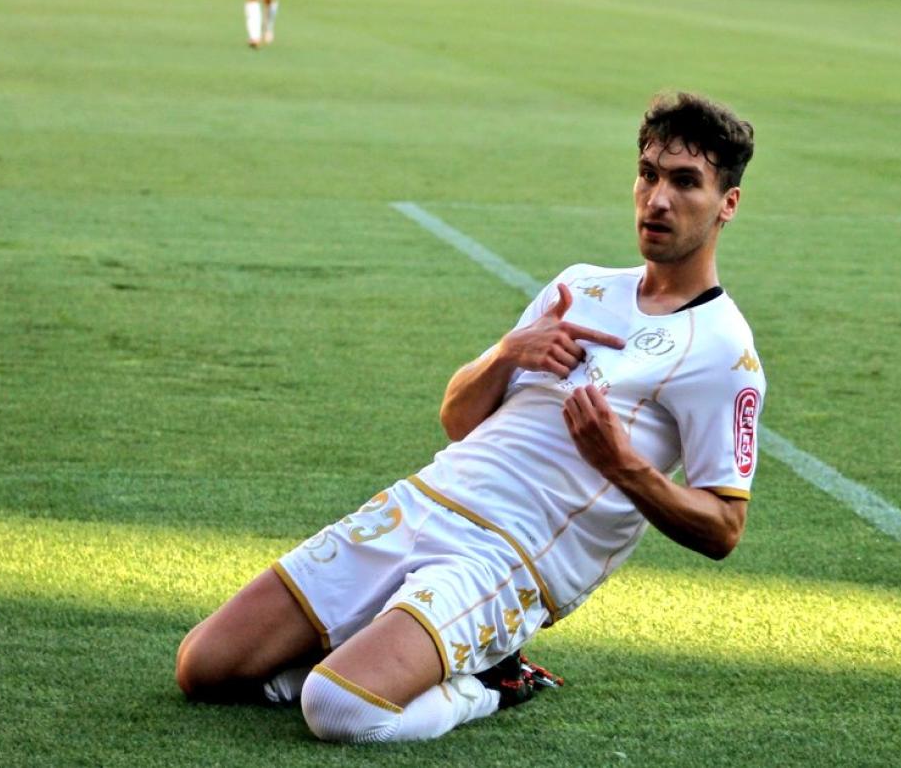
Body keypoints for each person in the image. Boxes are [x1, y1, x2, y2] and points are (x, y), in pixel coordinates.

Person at [175, 91, 765, 744]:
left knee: (337, 708)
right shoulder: (584, 285)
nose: (658, 200)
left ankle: (486, 685)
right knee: (202, 667)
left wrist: (621, 465)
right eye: (649, 174)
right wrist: (509, 353)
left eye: (686, 183)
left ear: (727, 204)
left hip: (501, 560)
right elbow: (457, 418)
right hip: (421, 502)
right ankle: (379, 656)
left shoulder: (721, 350)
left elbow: (724, 527)